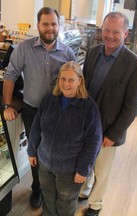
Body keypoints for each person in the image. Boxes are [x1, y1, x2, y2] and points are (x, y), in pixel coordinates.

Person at [2, 7, 76, 208]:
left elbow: (74, 82)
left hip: (59, 113)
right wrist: (7, 105)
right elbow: (10, 75)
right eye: (45, 24)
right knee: (35, 150)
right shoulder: (23, 48)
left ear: (58, 26)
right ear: (38, 26)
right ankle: (37, 189)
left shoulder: (68, 52)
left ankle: (53, 189)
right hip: (32, 110)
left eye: (53, 24)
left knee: (54, 151)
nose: (50, 28)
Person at [79, 12, 137, 216]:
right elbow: (84, 87)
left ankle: (95, 205)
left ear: (125, 33)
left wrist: (113, 134)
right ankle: (84, 190)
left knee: (102, 168)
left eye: (116, 32)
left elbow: (132, 106)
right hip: (87, 123)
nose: (109, 35)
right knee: (86, 161)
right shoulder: (92, 53)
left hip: (108, 129)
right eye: (106, 30)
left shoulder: (136, 65)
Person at [27, 61, 102, 216]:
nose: (66, 84)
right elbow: (36, 127)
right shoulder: (49, 100)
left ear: (79, 81)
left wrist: (83, 170)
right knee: (48, 197)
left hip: (70, 169)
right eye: (63, 79)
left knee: (66, 202)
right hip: (45, 164)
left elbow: (93, 143)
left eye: (71, 80)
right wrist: (31, 151)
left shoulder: (89, 107)